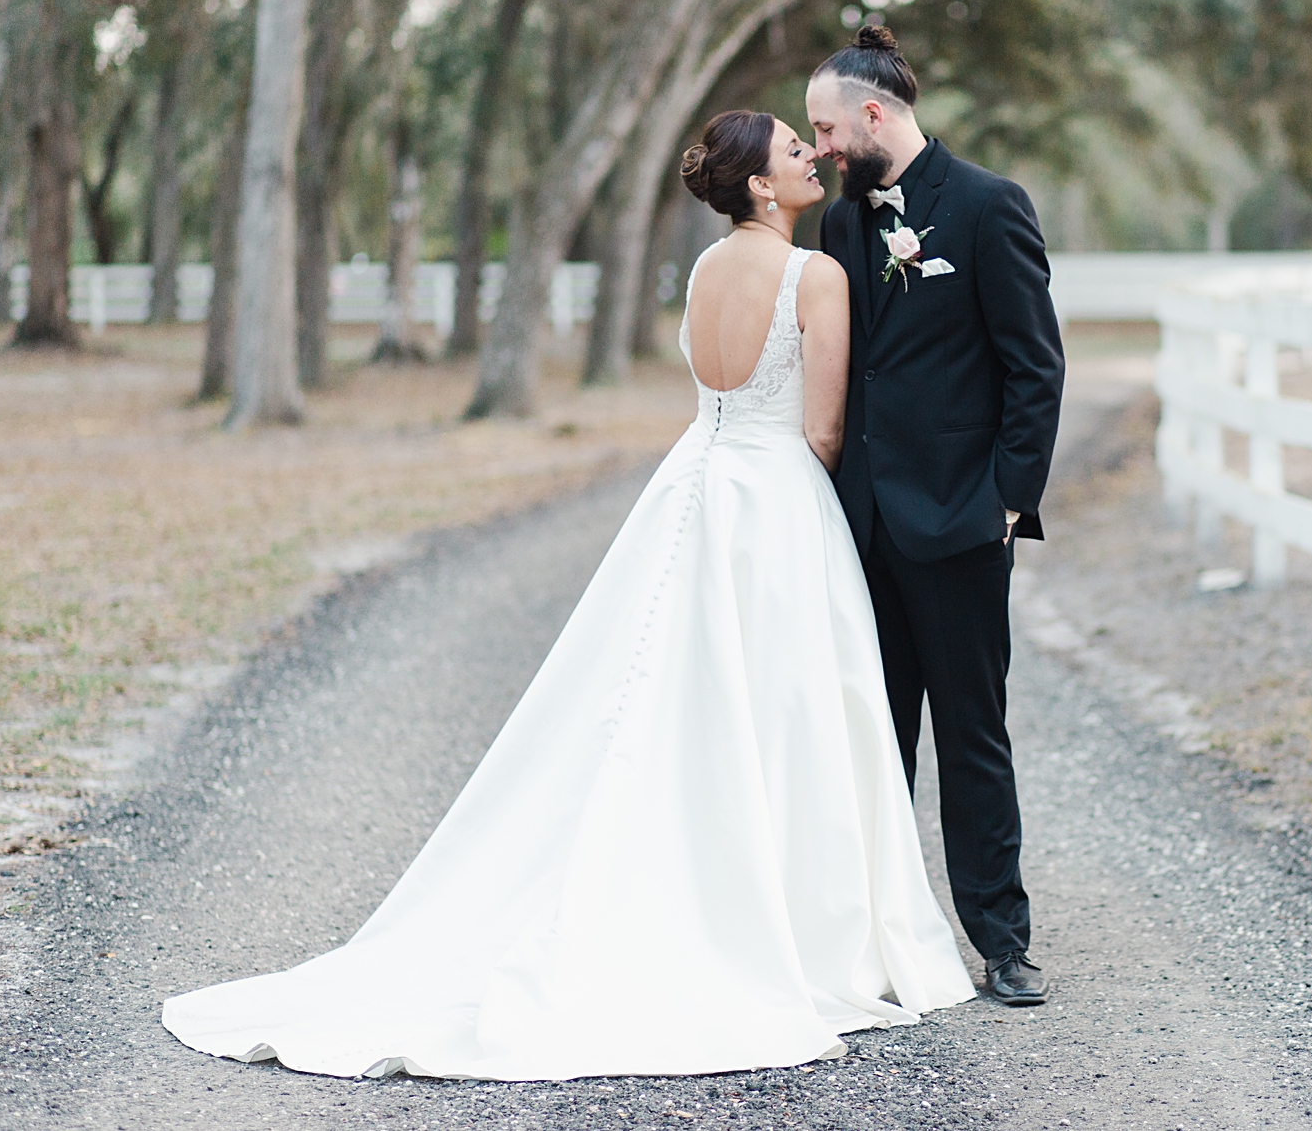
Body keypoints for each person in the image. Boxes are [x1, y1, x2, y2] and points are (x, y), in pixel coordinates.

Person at [160, 111, 974, 1081]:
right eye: (795, 151)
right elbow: (824, 428)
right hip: (774, 498)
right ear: (760, 185)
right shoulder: (816, 275)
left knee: (663, 692)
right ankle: (789, 918)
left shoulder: (705, 271)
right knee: (784, 705)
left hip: (691, 482)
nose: (812, 157)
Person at [805, 26, 1066, 1006]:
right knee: (872, 744)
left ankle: (1002, 940)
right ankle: (875, 942)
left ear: (873, 114)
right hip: (861, 527)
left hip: (960, 523)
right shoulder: (840, 228)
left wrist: (1007, 500)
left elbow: (1034, 366)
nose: (822, 148)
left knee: (971, 738)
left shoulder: (990, 207)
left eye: (826, 129)